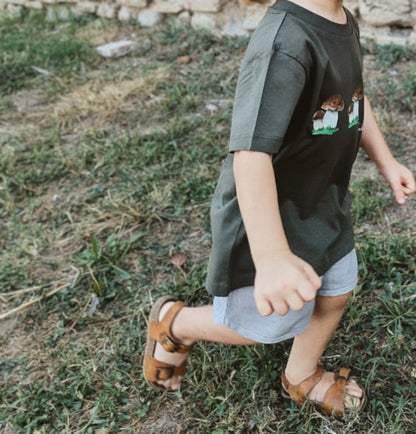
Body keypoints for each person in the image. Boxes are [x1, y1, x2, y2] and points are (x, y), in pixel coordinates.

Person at [143, 0, 416, 417]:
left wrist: (385, 159)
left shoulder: (340, 19)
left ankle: (301, 373)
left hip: (321, 201)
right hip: (270, 217)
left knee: (336, 290)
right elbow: (250, 156)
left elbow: (352, 98)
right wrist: (271, 257)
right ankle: (175, 324)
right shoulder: (284, 44)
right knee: (263, 327)